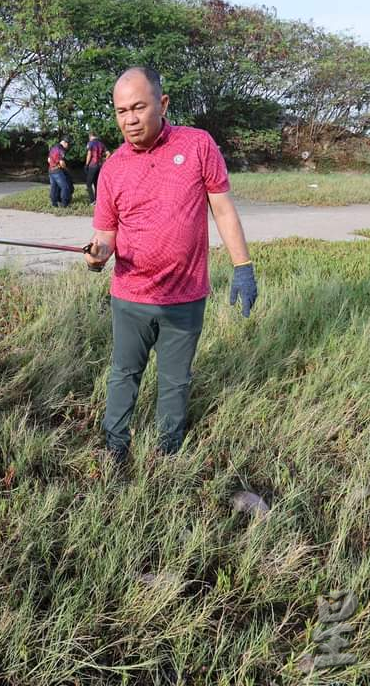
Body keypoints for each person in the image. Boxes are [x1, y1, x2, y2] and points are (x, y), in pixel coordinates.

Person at [83, 66, 258, 463]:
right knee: (124, 374)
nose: (129, 119)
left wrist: (242, 266)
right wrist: (96, 258)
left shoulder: (197, 145)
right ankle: (115, 446)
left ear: (162, 104)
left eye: (139, 107)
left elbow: (224, 211)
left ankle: (168, 450)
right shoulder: (112, 168)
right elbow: (106, 237)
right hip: (130, 297)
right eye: (121, 110)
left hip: (185, 297)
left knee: (175, 380)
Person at [47, 136, 74, 207]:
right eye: (68, 144)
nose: (68, 146)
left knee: (54, 188)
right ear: (65, 142)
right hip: (57, 171)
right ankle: (64, 204)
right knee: (65, 187)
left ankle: (54, 204)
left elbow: (49, 160)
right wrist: (66, 169)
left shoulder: (53, 147)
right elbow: (62, 163)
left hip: (51, 170)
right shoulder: (61, 149)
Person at [84, 131, 107, 205]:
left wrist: (86, 164)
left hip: (92, 165)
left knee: (88, 184)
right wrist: (104, 160)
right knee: (96, 183)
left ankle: (92, 200)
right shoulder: (101, 144)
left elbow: (89, 154)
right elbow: (108, 153)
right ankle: (98, 200)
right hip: (100, 165)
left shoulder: (90, 143)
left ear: (90, 136)